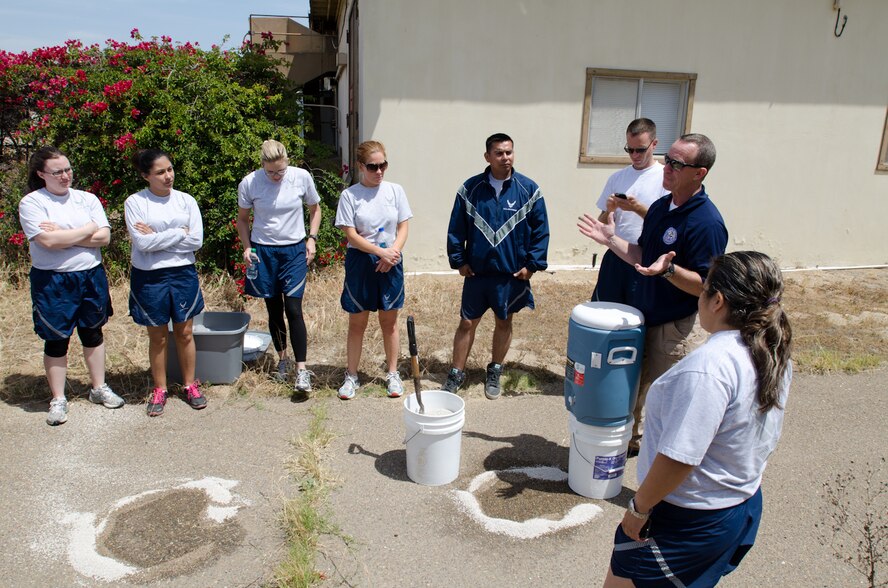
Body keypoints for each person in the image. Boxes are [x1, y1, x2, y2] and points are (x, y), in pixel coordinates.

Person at [604, 251, 793, 587]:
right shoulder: (772, 349)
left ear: (717, 301)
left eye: (704, 288)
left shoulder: (709, 368)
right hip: (739, 504)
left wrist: (638, 509)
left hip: (686, 519)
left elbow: (680, 457)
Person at [578, 133, 727, 452]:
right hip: (640, 315)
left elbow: (706, 284)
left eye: (677, 163)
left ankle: (661, 469)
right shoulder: (661, 207)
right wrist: (610, 240)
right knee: (629, 388)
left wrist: (670, 270)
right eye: (667, 158)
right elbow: (642, 255)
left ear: (699, 173)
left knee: (664, 402)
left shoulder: (707, 223)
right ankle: (628, 445)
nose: (666, 168)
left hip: (671, 327)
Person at [19, 146, 124, 425]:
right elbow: (48, 242)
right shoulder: (32, 203)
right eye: (57, 172)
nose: (65, 176)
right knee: (56, 339)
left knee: (93, 332)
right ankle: (58, 398)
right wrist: (86, 229)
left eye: (68, 170)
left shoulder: (86, 199)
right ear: (41, 174)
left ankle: (98, 387)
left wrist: (66, 234)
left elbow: (103, 238)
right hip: (53, 279)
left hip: (90, 274)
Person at [444, 133, 549, 399]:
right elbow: (456, 228)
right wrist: (459, 260)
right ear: (487, 156)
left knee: (504, 321)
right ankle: (456, 374)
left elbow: (541, 230)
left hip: (511, 274)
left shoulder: (529, 190)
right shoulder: (470, 189)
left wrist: (532, 266)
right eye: (500, 153)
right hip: (477, 273)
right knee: (467, 323)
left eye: (509, 152)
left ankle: (495, 371)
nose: (506, 158)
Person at [125, 149, 207, 416]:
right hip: (149, 276)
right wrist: (178, 233)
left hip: (182, 272)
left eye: (170, 169)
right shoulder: (136, 202)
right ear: (145, 176)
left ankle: (190, 384)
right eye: (160, 172)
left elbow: (196, 241)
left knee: (185, 333)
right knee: (158, 336)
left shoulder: (186, 200)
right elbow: (142, 243)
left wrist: (160, 236)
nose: (168, 176)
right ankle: (160, 389)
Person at [236, 140, 322, 393]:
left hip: (294, 250)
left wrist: (312, 238)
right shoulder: (250, 182)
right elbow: (242, 219)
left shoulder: (301, 177)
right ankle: (282, 361)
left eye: (280, 171)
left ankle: (302, 369)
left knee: (294, 309)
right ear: (262, 164)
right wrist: (247, 246)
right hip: (264, 251)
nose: (276, 176)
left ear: (287, 163)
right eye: (271, 171)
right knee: (273, 309)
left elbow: (315, 210)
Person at [334, 140, 413, 400]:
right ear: (360, 166)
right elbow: (350, 234)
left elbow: (402, 226)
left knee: (389, 322)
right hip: (362, 261)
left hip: (391, 260)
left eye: (383, 165)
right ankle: (352, 375)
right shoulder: (350, 195)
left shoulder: (395, 191)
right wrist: (379, 252)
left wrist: (393, 253)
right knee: (358, 322)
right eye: (373, 167)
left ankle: (392, 374)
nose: (379, 171)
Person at [591, 118, 668, 303]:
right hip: (615, 256)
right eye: (629, 149)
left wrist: (638, 208)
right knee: (605, 312)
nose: (634, 155)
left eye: (640, 149)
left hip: (645, 258)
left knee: (637, 318)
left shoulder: (666, 178)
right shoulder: (617, 178)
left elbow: (668, 224)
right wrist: (609, 210)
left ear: (654, 144)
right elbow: (601, 224)